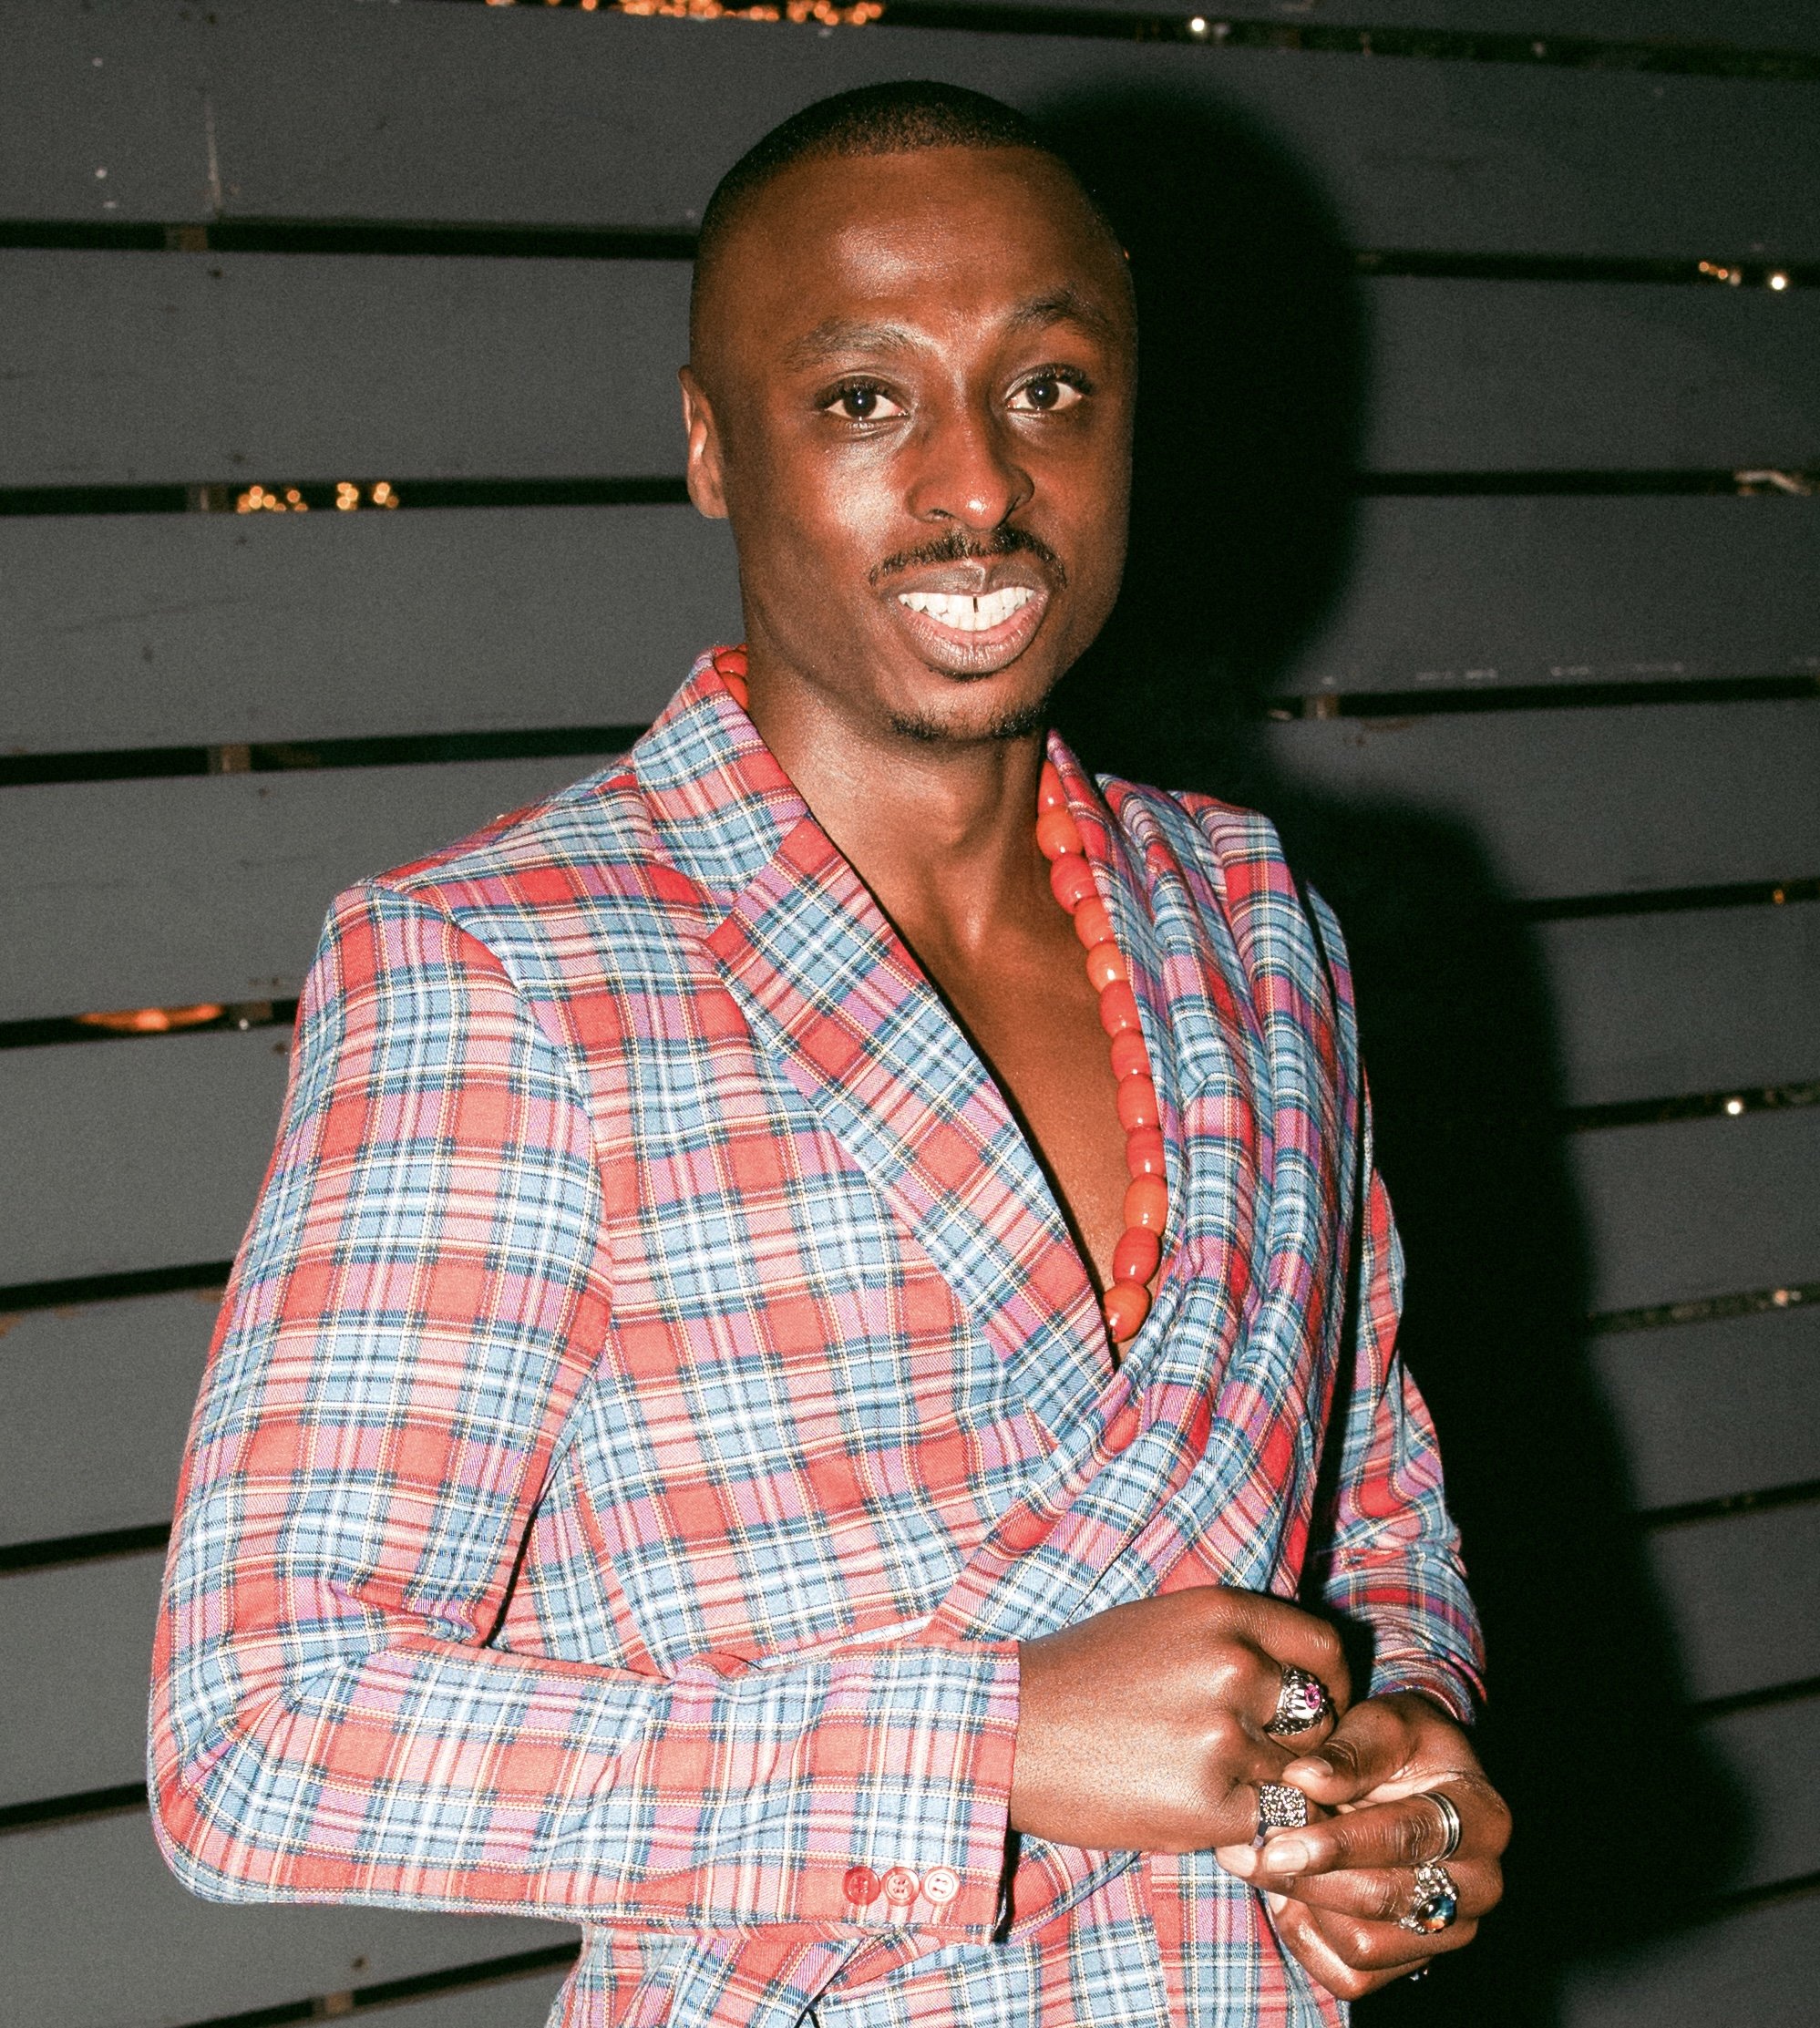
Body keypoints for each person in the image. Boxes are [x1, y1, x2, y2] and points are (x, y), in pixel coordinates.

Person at [150, 81, 1507, 2027]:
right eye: (866, 399)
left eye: (1048, 389)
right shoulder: (511, 967)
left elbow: (1368, 1495)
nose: (979, 487)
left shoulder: (1250, 920)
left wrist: (1407, 1748)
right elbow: (261, 1741)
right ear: (714, 443)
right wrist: (984, 1745)